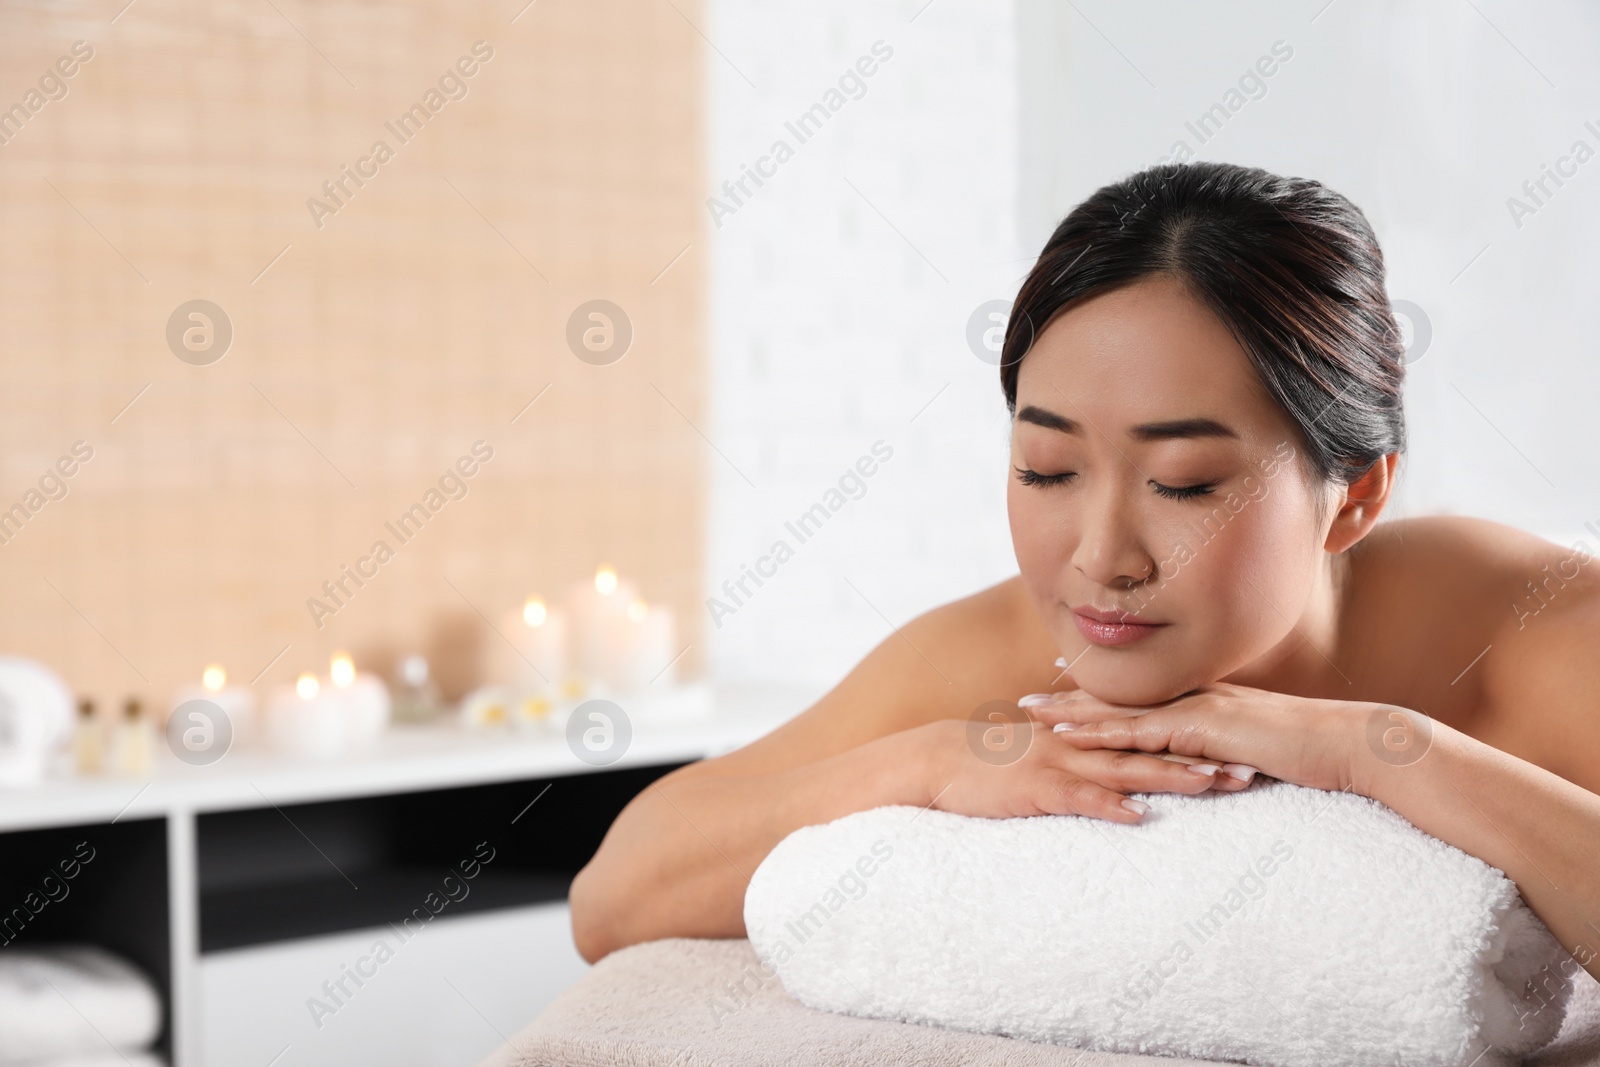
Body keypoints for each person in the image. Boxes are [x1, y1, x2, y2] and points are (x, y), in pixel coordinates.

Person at [569, 161, 1600, 983]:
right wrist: (921, 764)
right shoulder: (1004, 656)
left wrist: (1380, 752)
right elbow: (612, 895)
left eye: (1186, 482)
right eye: (1046, 468)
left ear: (1358, 496)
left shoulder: (1536, 635)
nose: (1099, 558)